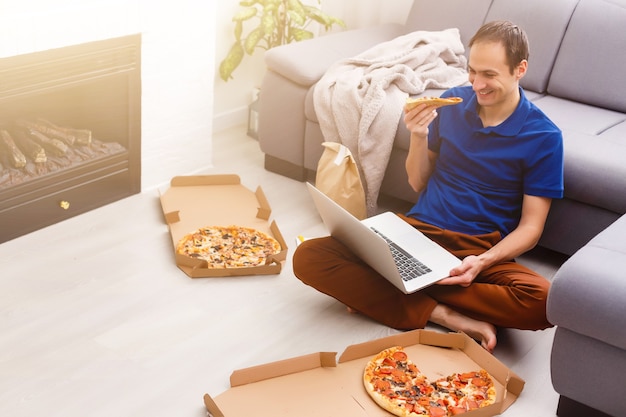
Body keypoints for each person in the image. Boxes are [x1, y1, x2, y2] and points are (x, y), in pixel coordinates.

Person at [292, 20, 564, 353]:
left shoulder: (545, 137)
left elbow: (531, 229)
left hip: (477, 250)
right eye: (472, 71)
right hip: (416, 231)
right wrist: (418, 137)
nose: (477, 84)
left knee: (543, 301)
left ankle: (386, 289)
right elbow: (419, 183)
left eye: (489, 75)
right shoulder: (451, 102)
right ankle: (443, 313)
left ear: (519, 69)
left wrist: (483, 262)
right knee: (309, 256)